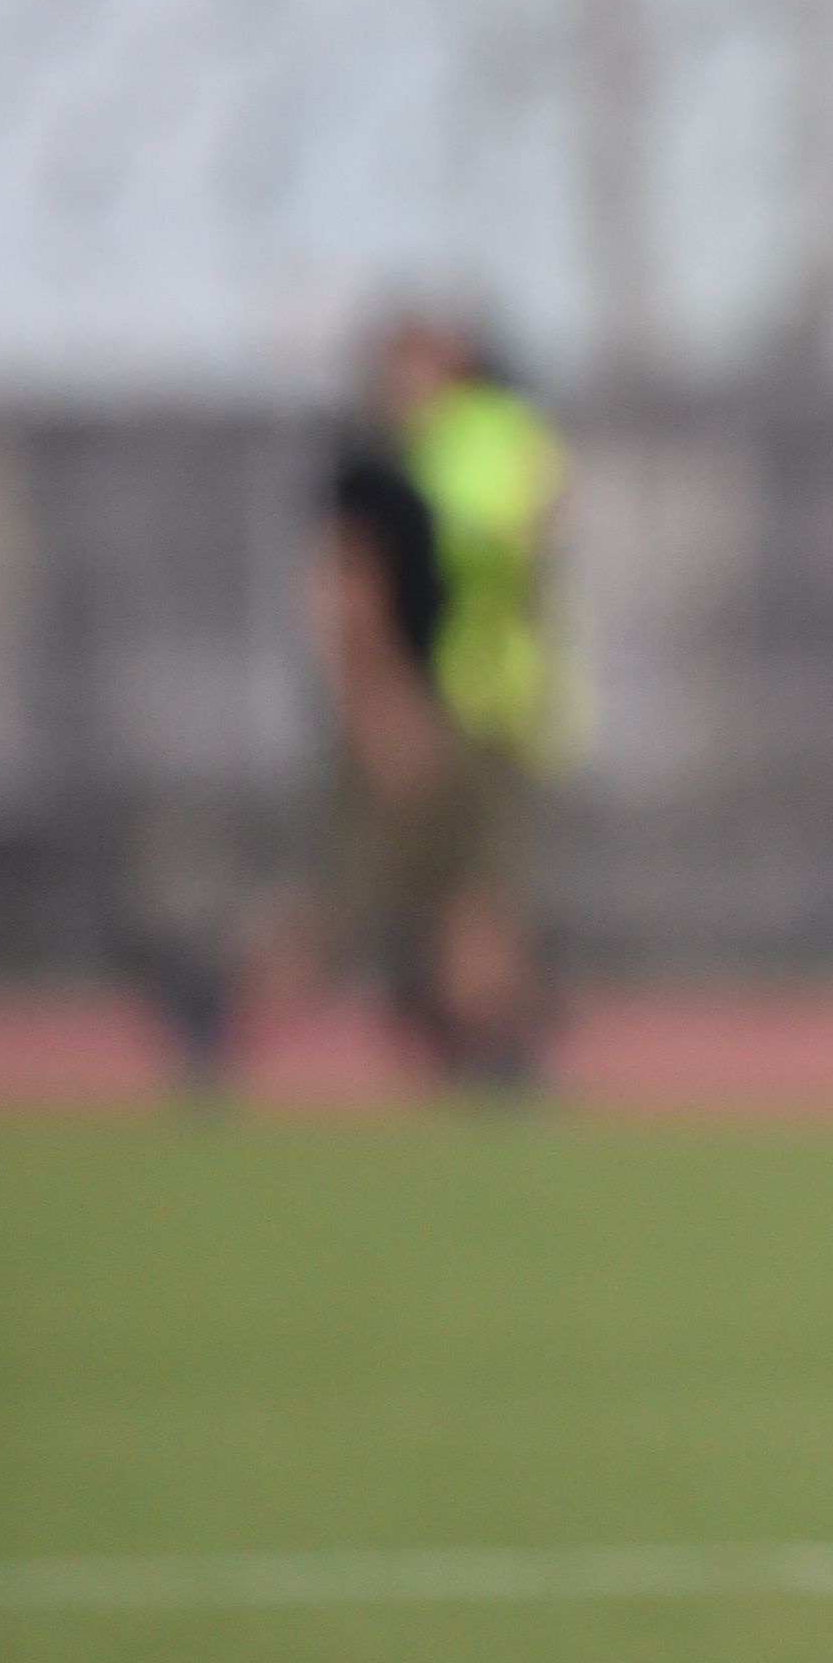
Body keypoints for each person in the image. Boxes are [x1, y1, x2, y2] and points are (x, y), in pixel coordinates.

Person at [242, 312, 565, 1090]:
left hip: (474, 710)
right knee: (342, 900)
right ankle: (222, 1028)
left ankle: (487, 1051)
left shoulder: (456, 456)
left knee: (477, 894)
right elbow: (348, 603)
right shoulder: (374, 476)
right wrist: (377, 707)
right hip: (408, 711)